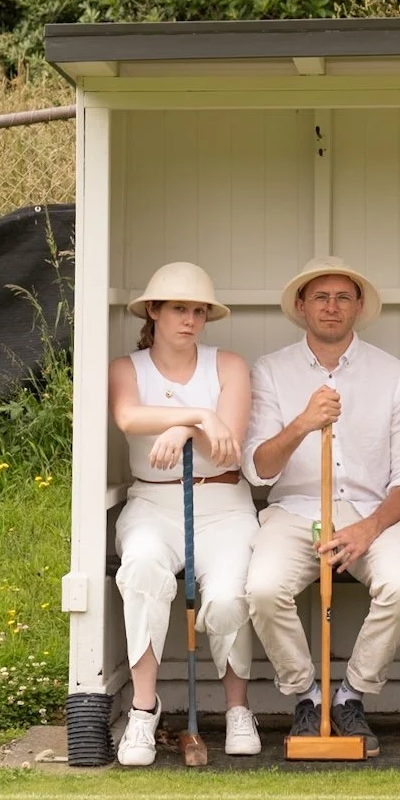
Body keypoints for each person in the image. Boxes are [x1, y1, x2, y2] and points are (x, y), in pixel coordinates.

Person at [244, 255, 400, 757]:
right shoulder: (272, 371)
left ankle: (350, 697)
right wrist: (302, 423)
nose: (331, 306)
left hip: (371, 512)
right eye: (320, 297)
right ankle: (308, 695)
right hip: (295, 510)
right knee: (261, 589)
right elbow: (259, 467)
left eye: (343, 296)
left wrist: (369, 529)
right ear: (301, 306)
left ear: (358, 306)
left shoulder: (392, 374)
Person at [107, 262, 260, 767]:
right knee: (144, 568)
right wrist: (198, 415)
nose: (190, 320)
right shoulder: (127, 369)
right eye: (178, 308)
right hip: (153, 503)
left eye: (199, 311)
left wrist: (183, 431)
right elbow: (130, 418)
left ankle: (238, 709)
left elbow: (229, 447)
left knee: (227, 593)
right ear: (153, 310)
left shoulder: (229, 366)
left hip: (224, 505)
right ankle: (143, 712)